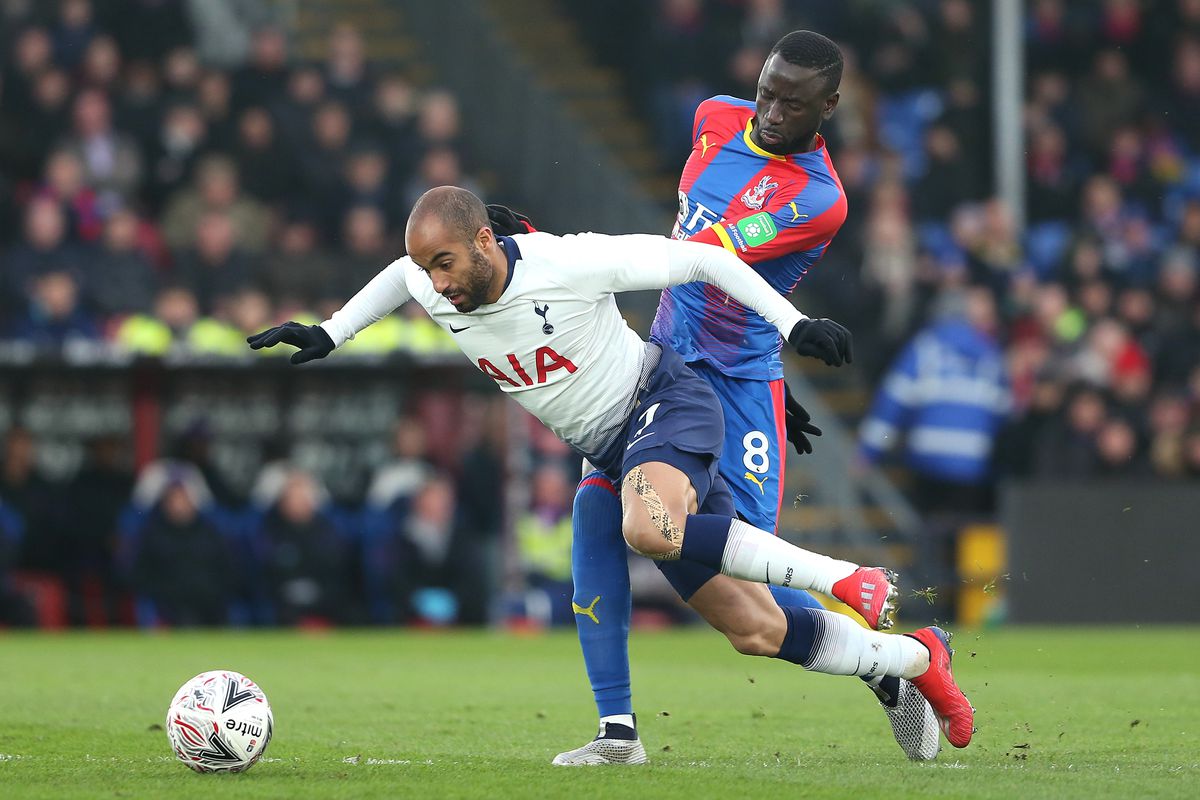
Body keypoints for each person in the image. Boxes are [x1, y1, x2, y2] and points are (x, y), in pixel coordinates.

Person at [248, 185, 975, 753]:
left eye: (445, 265)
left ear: (482, 241)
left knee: (641, 525)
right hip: (612, 450)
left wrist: (793, 324)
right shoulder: (429, 278)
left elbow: (704, 259)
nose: (434, 286)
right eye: (426, 269)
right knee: (754, 629)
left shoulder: (568, 261)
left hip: (664, 403)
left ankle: (843, 579)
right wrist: (331, 331)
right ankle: (909, 659)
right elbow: (396, 278)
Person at [491, 31, 941, 764]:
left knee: (745, 599)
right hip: (661, 368)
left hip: (736, 387)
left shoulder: (818, 197)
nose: (770, 111)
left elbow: (709, 256)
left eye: (792, 103)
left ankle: (890, 665)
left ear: (827, 108)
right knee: (595, 506)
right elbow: (676, 249)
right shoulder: (712, 117)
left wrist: (552, 254)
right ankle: (617, 732)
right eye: (766, 90)